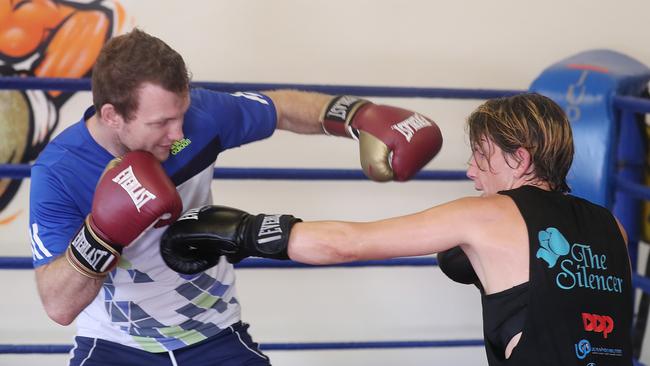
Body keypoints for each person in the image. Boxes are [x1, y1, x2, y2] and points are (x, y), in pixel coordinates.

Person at [28, 28, 442, 365]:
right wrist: (102, 232)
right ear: (111, 116)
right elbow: (58, 305)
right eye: (161, 122)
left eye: (181, 113)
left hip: (214, 335)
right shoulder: (60, 173)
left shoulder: (200, 118)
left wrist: (355, 114)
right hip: (115, 347)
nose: (177, 134)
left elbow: (280, 108)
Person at [161, 93, 634, 366]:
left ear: (520, 159)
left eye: (482, 154)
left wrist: (239, 231)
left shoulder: (487, 215)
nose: (471, 169)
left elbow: (348, 244)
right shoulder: (612, 226)